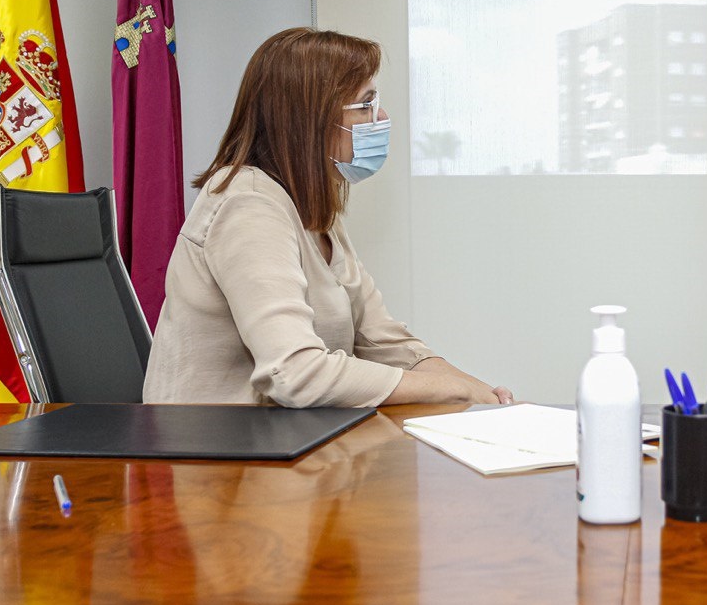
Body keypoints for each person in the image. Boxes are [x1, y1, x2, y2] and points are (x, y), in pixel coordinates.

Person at [143, 27, 512, 407]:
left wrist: (481, 393)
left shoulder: (311, 206)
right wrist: (449, 390)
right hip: (210, 454)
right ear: (311, 119)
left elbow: (383, 340)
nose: (381, 116)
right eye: (365, 103)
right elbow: (294, 374)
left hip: (284, 442)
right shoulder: (248, 205)